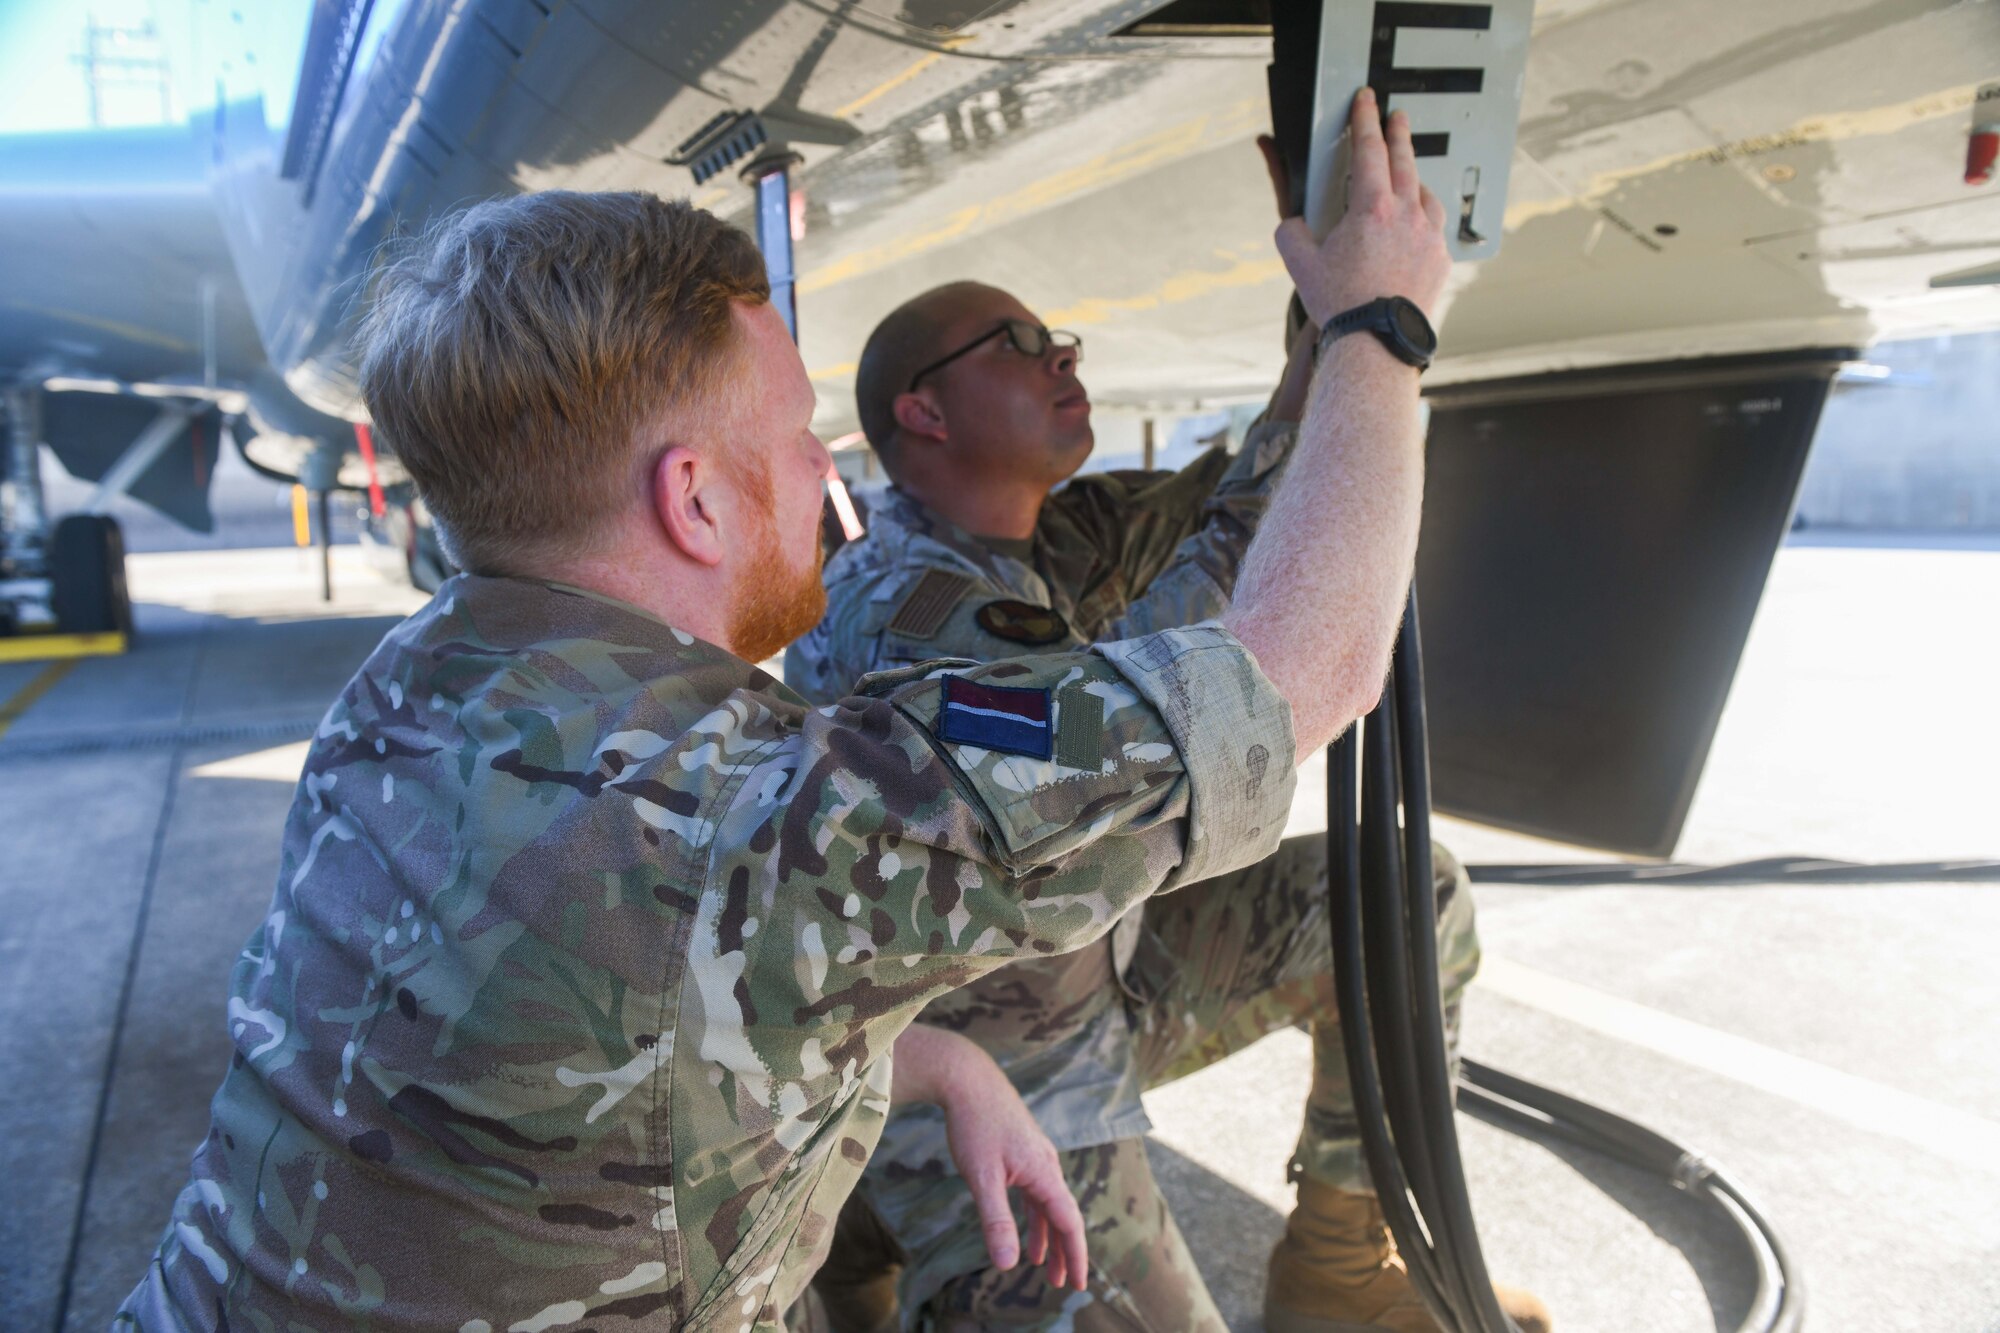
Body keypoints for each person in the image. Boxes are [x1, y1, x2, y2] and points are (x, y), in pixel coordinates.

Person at [115, 88, 1448, 1332]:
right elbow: (1298, 676)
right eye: (799, 433)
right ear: (694, 499)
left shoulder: (409, 696)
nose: (826, 470)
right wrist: (1377, 328)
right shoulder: (746, 813)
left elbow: (632, 994)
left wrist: (942, 1064)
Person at [785, 127, 1551, 1333]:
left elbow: (1256, 490)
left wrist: (1324, 320)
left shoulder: (1041, 536)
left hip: (1097, 978)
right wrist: (1375, 333)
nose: (1062, 357)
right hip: (969, 1062)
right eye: (1022, 344)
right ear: (921, 411)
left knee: (1402, 893)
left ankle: (1337, 1271)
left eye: (1060, 341)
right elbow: (1216, 665)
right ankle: (866, 1227)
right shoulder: (910, 605)